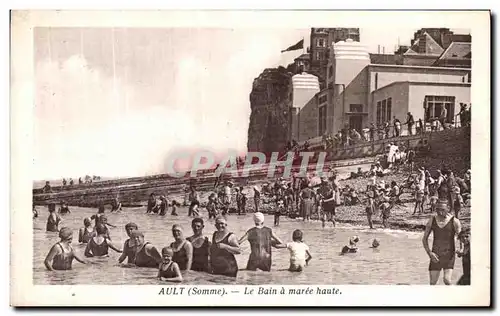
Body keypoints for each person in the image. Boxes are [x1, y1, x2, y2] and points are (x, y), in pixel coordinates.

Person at [422, 200, 462, 285]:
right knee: (433, 283)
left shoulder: (455, 221)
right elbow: (424, 239)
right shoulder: (432, 220)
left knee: (447, 280)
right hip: (435, 255)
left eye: (442, 209)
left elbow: (461, 237)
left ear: (448, 208)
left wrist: (461, 249)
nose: (440, 212)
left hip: (449, 255)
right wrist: (430, 253)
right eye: (437, 209)